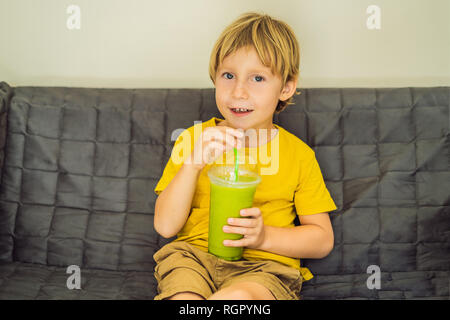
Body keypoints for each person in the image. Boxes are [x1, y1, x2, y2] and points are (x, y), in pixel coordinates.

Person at [152, 12, 337, 300]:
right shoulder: (193, 140)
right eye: (228, 75)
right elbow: (165, 226)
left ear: (286, 87)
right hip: (193, 259)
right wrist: (193, 164)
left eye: (258, 78)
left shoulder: (299, 155)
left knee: (236, 299)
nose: (238, 91)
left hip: (264, 267)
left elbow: (322, 240)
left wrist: (265, 237)